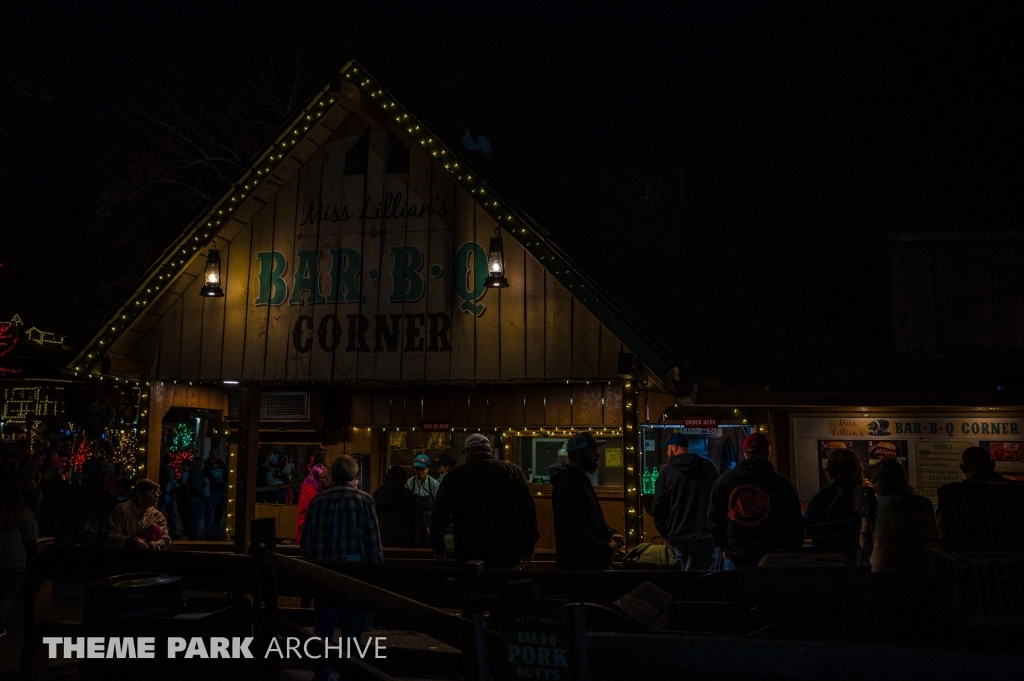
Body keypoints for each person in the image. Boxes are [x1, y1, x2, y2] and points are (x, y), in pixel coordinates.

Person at [300, 455, 382, 681]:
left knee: (323, 630)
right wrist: (375, 573)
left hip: (324, 573)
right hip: (354, 574)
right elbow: (373, 543)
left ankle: (322, 674)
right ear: (355, 476)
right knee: (352, 631)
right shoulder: (364, 500)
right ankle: (349, 673)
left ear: (333, 475)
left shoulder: (318, 501)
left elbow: (306, 542)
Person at [430, 433, 539, 569]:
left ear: (469, 451)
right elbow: (528, 512)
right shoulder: (512, 471)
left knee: (473, 587)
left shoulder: (455, 475)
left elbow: (439, 514)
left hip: (469, 551)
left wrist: (438, 547)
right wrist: (528, 547)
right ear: (488, 450)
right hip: (506, 552)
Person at [708, 433, 802, 569]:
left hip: (736, 557)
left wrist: (722, 545)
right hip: (774, 558)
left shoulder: (724, 481)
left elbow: (714, 517)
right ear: (767, 453)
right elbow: (794, 523)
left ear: (744, 452)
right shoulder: (783, 484)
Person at [551, 432, 624, 570]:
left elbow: (591, 520)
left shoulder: (579, 481)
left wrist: (610, 533)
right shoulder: (568, 484)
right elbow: (574, 531)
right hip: (579, 570)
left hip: (587, 566)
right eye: (592, 450)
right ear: (578, 453)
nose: (597, 455)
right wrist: (605, 549)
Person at [651, 433, 720, 570]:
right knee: (709, 581)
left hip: (679, 537)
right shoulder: (708, 466)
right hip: (706, 536)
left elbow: (658, 507)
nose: (667, 451)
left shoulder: (667, 472)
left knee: (682, 582)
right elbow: (720, 499)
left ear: (674, 448)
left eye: (668, 447)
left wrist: (664, 533)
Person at [863, 458, 937, 572]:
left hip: (882, 572)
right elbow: (932, 537)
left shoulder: (873, 505)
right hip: (921, 572)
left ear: (879, 482)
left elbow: (865, 546)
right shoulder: (923, 503)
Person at [803, 448, 864, 561]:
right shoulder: (865, 496)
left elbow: (810, 528)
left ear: (831, 469)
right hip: (857, 557)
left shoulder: (825, 497)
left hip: (826, 557)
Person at [1, 473, 39, 637]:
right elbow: (32, 536)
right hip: (14, 563)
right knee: (5, 599)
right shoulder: (22, 510)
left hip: (10, 561)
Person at [102, 479, 170, 550]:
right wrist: (130, 542)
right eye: (152, 492)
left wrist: (150, 545)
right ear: (139, 495)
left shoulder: (157, 516)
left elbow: (166, 540)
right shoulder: (122, 510)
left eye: (158, 492)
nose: (156, 495)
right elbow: (109, 535)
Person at [373, 466, 429, 548]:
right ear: (404, 479)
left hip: (381, 545)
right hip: (406, 548)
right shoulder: (409, 497)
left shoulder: (377, 495)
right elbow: (419, 526)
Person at [296, 463, 331, 543]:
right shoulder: (311, 491)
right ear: (316, 477)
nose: (328, 479)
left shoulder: (320, 489)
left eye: (329, 476)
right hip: (307, 533)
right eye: (324, 477)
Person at [406, 453, 440, 529]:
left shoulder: (434, 484)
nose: (420, 472)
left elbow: (438, 506)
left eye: (422, 469)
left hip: (429, 522)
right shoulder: (409, 483)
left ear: (428, 469)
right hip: (413, 521)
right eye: (417, 469)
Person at [184, 458, 212, 540]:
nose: (204, 465)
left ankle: (193, 535)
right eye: (202, 463)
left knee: (196, 519)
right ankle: (193, 536)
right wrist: (204, 496)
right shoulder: (197, 475)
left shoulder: (198, 474)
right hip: (197, 500)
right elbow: (196, 488)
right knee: (195, 519)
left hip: (199, 499)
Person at [204, 448, 229, 540]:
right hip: (211, 492)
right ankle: (209, 532)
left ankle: (214, 531)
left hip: (221, 491)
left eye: (219, 452)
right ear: (211, 454)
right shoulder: (206, 465)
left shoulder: (222, 464)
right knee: (208, 512)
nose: (218, 454)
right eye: (216, 453)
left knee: (219, 513)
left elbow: (226, 476)